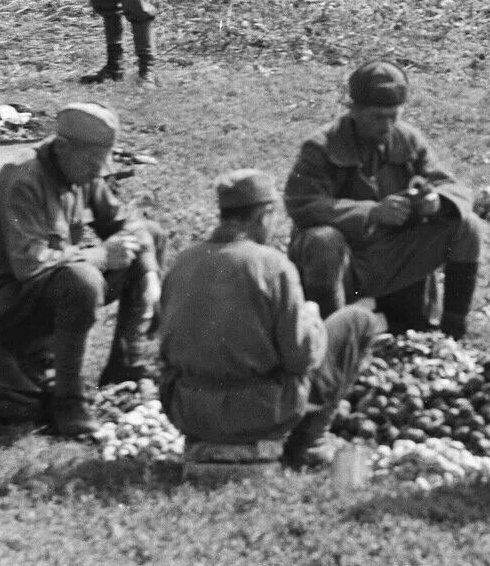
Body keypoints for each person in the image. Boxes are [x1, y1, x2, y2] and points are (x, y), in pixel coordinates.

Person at [159, 169, 385, 468]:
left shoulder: (183, 262)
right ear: (263, 216)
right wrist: (313, 322)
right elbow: (301, 358)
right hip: (261, 413)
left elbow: (167, 350)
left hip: (190, 411)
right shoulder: (272, 265)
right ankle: (308, 443)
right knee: (359, 320)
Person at [0, 102, 164, 436]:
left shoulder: (80, 169)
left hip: (48, 288)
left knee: (150, 237)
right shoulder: (23, 179)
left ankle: (125, 367)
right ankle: (68, 401)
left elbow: (129, 224)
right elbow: (30, 263)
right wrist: (100, 257)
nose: (96, 173)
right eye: (91, 163)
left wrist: (150, 277)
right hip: (10, 307)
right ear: (62, 148)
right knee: (82, 279)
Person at [283, 59, 483, 339]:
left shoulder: (407, 139)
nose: (387, 126)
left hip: (390, 255)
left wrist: (436, 201)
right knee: (323, 240)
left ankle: (452, 334)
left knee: (468, 227)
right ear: (354, 110)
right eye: (377, 117)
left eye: (394, 116)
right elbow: (302, 203)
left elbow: (451, 186)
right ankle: (332, 343)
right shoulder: (321, 147)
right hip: (343, 264)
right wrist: (371, 213)